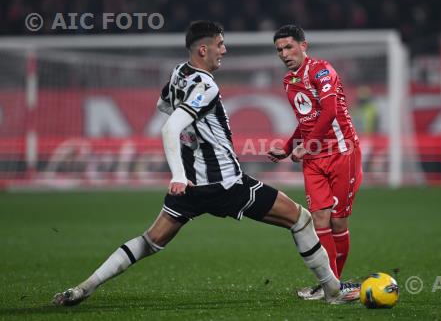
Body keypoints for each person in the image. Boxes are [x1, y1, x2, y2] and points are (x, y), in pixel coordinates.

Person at [53, 20, 355, 307]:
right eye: (220, 45)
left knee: (149, 241)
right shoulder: (207, 86)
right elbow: (170, 127)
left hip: (192, 191)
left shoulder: (177, 75)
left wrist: (191, 145)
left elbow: (163, 106)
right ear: (204, 50)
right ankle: (331, 291)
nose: (224, 51)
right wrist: (179, 174)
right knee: (300, 219)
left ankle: (83, 288)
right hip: (226, 183)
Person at [268, 25, 363, 301]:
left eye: (288, 47)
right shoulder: (288, 82)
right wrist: (288, 147)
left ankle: (333, 284)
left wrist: (306, 146)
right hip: (313, 160)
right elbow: (306, 121)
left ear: (303, 45)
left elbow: (330, 111)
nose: (284, 54)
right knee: (318, 220)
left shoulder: (322, 70)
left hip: (342, 153)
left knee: (337, 223)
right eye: (279, 50)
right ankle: (329, 286)